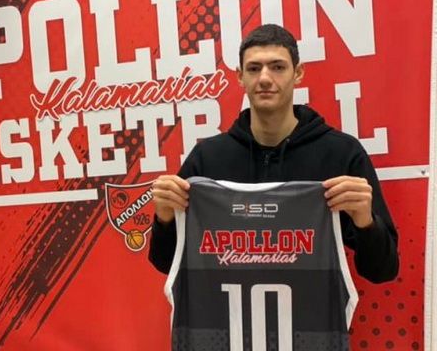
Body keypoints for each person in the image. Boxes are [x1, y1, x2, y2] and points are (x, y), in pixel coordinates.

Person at [148, 23, 398, 283]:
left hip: (311, 309)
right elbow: (165, 263)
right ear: (240, 76)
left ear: (298, 73)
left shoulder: (341, 153)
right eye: (254, 68)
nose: (265, 78)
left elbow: (383, 271)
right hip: (226, 308)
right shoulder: (208, 157)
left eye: (278, 67)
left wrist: (366, 223)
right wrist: (165, 219)